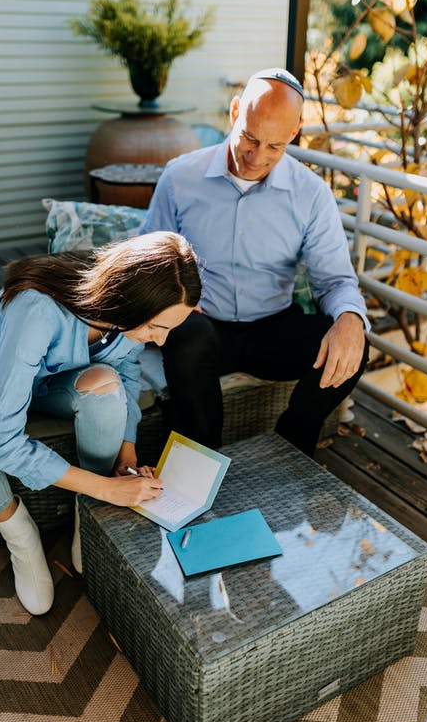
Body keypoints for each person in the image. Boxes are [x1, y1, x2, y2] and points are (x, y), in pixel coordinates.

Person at [139, 67, 369, 456]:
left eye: (275, 146)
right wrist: (170, 295)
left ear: (294, 133)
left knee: (353, 343)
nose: (257, 156)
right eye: (249, 137)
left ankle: (290, 446)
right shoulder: (180, 177)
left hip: (273, 328)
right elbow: (146, 261)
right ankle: (199, 464)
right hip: (203, 326)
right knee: (186, 336)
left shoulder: (311, 194)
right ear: (233, 113)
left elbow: (335, 282)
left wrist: (350, 319)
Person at [0, 232, 201, 615]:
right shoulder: (37, 310)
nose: (161, 342)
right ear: (127, 299)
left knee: (107, 383)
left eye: (169, 329)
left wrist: (127, 452)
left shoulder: (125, 312)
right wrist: (108, 489)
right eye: (155, 327)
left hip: (50, 387)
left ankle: (90, 516)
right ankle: (20, 535)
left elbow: (128, 371)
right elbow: (1, 442)